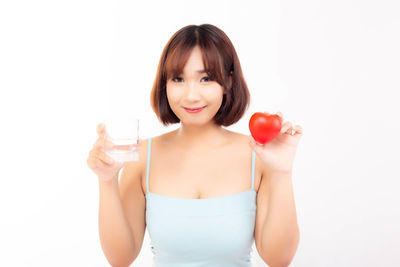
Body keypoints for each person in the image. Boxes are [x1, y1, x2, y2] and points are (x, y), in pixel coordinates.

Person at [87, 23, 303, 267]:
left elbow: (279, 259)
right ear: (164, 84)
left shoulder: (259, 155)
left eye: (206, 79)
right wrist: (106, 180)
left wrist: (282, 172)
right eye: (178, 79)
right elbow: (120, 258)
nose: (191, 95)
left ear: (228, 81)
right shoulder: (143, 156)